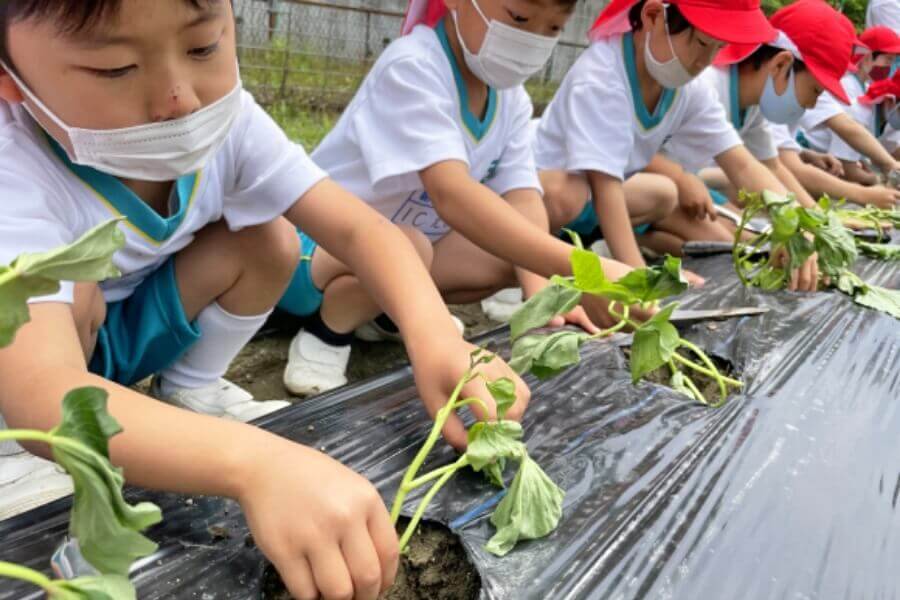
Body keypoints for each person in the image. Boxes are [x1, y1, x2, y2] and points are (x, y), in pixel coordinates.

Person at [0, 2, 530, 598]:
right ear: (9, 75)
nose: (179, 98)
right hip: (30, 375)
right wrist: (251, 465)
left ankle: (191, 394)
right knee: (62, 296)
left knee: (269, 238)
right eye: (116, 68)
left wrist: (436, 335)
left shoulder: (230, 124)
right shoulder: (14, 173)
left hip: (119, 338)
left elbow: (361, 230)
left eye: (203, 48)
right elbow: (44, 393)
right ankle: (22, 466)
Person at [282, 0, 650, 392]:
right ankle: (326, 334)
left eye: (553, 29)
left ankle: (383, 315)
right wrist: (581, 268)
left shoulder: (511, 100)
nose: (530, 38)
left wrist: (546, 298)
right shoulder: (414, 67)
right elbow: (451, 193)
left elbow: (524, 197)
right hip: (310, 252)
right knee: (405, 245)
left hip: (400, 255)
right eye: (520, 18)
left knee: (511, 257)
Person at [534, 0, 820, 290]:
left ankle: (589, 254)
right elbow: (604, 186)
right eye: (701, 43)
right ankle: (527, 265)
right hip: (543, 201)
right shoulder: (602, 77)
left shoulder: (685, 88)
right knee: (566, 194)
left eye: (718, 48)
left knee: (664, 193)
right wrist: (640, 281)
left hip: (594, 202)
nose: (704, 61)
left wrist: (795, 225)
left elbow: (742, 163)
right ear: (654, 16)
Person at [664, 0, 858, 221]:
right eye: (815, 90)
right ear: (780, 64)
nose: (813, 104)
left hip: (687, 192)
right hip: (665, 187)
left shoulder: (753, 105)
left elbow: (773, 167)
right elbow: (745, 168)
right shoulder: (709, 85)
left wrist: (817, 218)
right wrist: (809, 219)